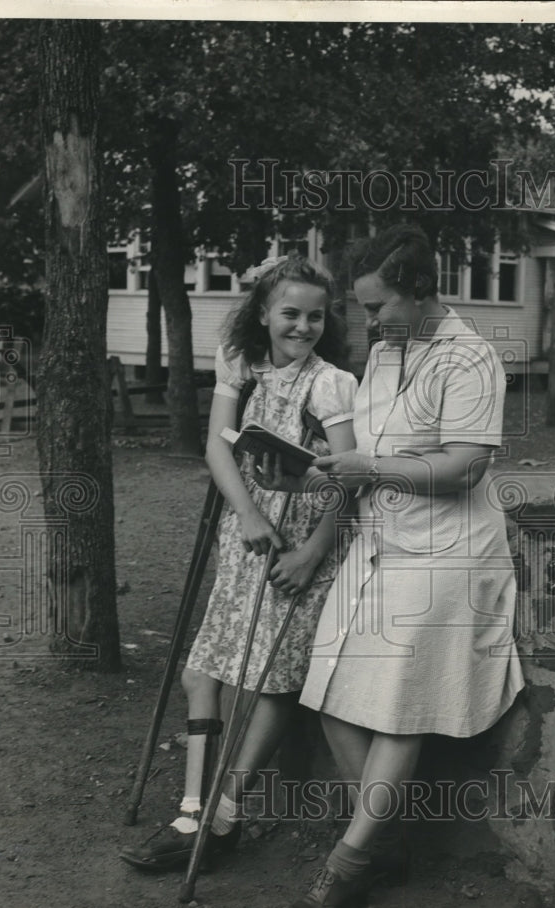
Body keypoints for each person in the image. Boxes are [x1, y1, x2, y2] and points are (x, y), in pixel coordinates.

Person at [255, 224, 525, 908]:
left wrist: (368, 467)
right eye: (364, 308)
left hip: (448, 553)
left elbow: (465, 466)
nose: (367, 321)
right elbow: (367, 456)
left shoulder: (468, 359)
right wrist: (308, 468)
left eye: (377, 307)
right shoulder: (385, 354)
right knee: (332, 693)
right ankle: (386, 842)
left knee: (399, 708)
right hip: (379, 544)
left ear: (420, 290)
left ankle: (346, 865)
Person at [120, 255, 357, 873]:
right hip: (247, 535)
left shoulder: (330, 383)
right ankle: (192, 809)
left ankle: (223, 814)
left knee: (269, 678)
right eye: (290, 313)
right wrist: (248, 514)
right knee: (203, 672)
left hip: (302, 545)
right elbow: (216, 446)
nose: (303, 326)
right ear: (262, 312)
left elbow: (349, 480)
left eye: (315, 315)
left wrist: (311, 553)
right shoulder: (242, 367)